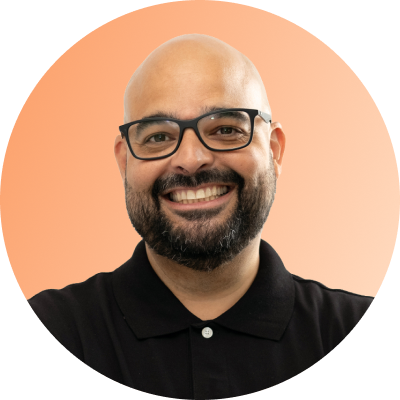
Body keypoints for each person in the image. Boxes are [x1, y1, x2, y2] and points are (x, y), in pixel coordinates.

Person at [27, 34, 374, 399]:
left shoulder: (348, 326)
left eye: (225, 130)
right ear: (125, 161)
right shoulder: (55, 328)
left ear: (274, 150)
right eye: (158, 136)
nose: (191, 160)